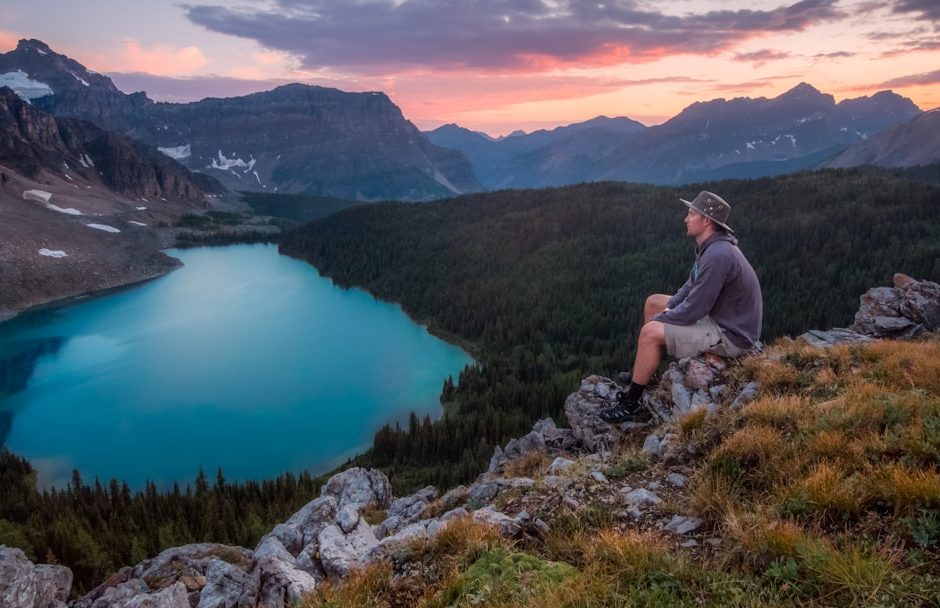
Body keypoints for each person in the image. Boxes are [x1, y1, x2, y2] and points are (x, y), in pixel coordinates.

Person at [599, 191, 762, 423]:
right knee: (653, 301)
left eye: (691, 213)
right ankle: (648, 374)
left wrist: (664, 319)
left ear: (706, 220)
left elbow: (695, 308)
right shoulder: (709, 247)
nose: (686, 219)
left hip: (731, 335)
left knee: (649, 333)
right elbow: (689, 288)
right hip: (720, 317)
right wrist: (666, 309)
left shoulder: (718, 255)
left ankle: (630, 404)